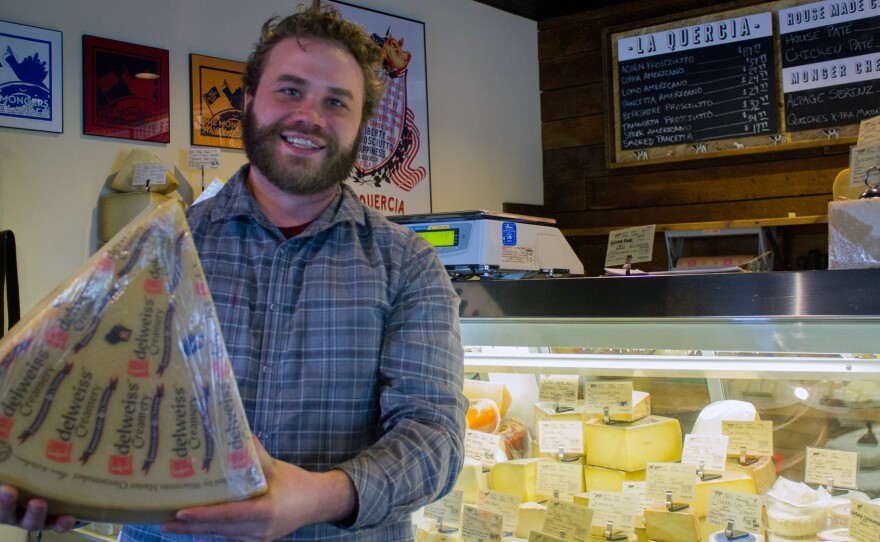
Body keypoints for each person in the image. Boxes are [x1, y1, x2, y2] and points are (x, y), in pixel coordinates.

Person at [0, 1, 467, 540]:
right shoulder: (161, 249)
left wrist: (321, 495)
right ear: (247, 101)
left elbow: (436, 438)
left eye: (336, 102)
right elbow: (102, 421)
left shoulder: (408, 264)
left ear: (360, 125)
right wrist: (53, 491)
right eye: (289, 90)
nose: (310, 117)